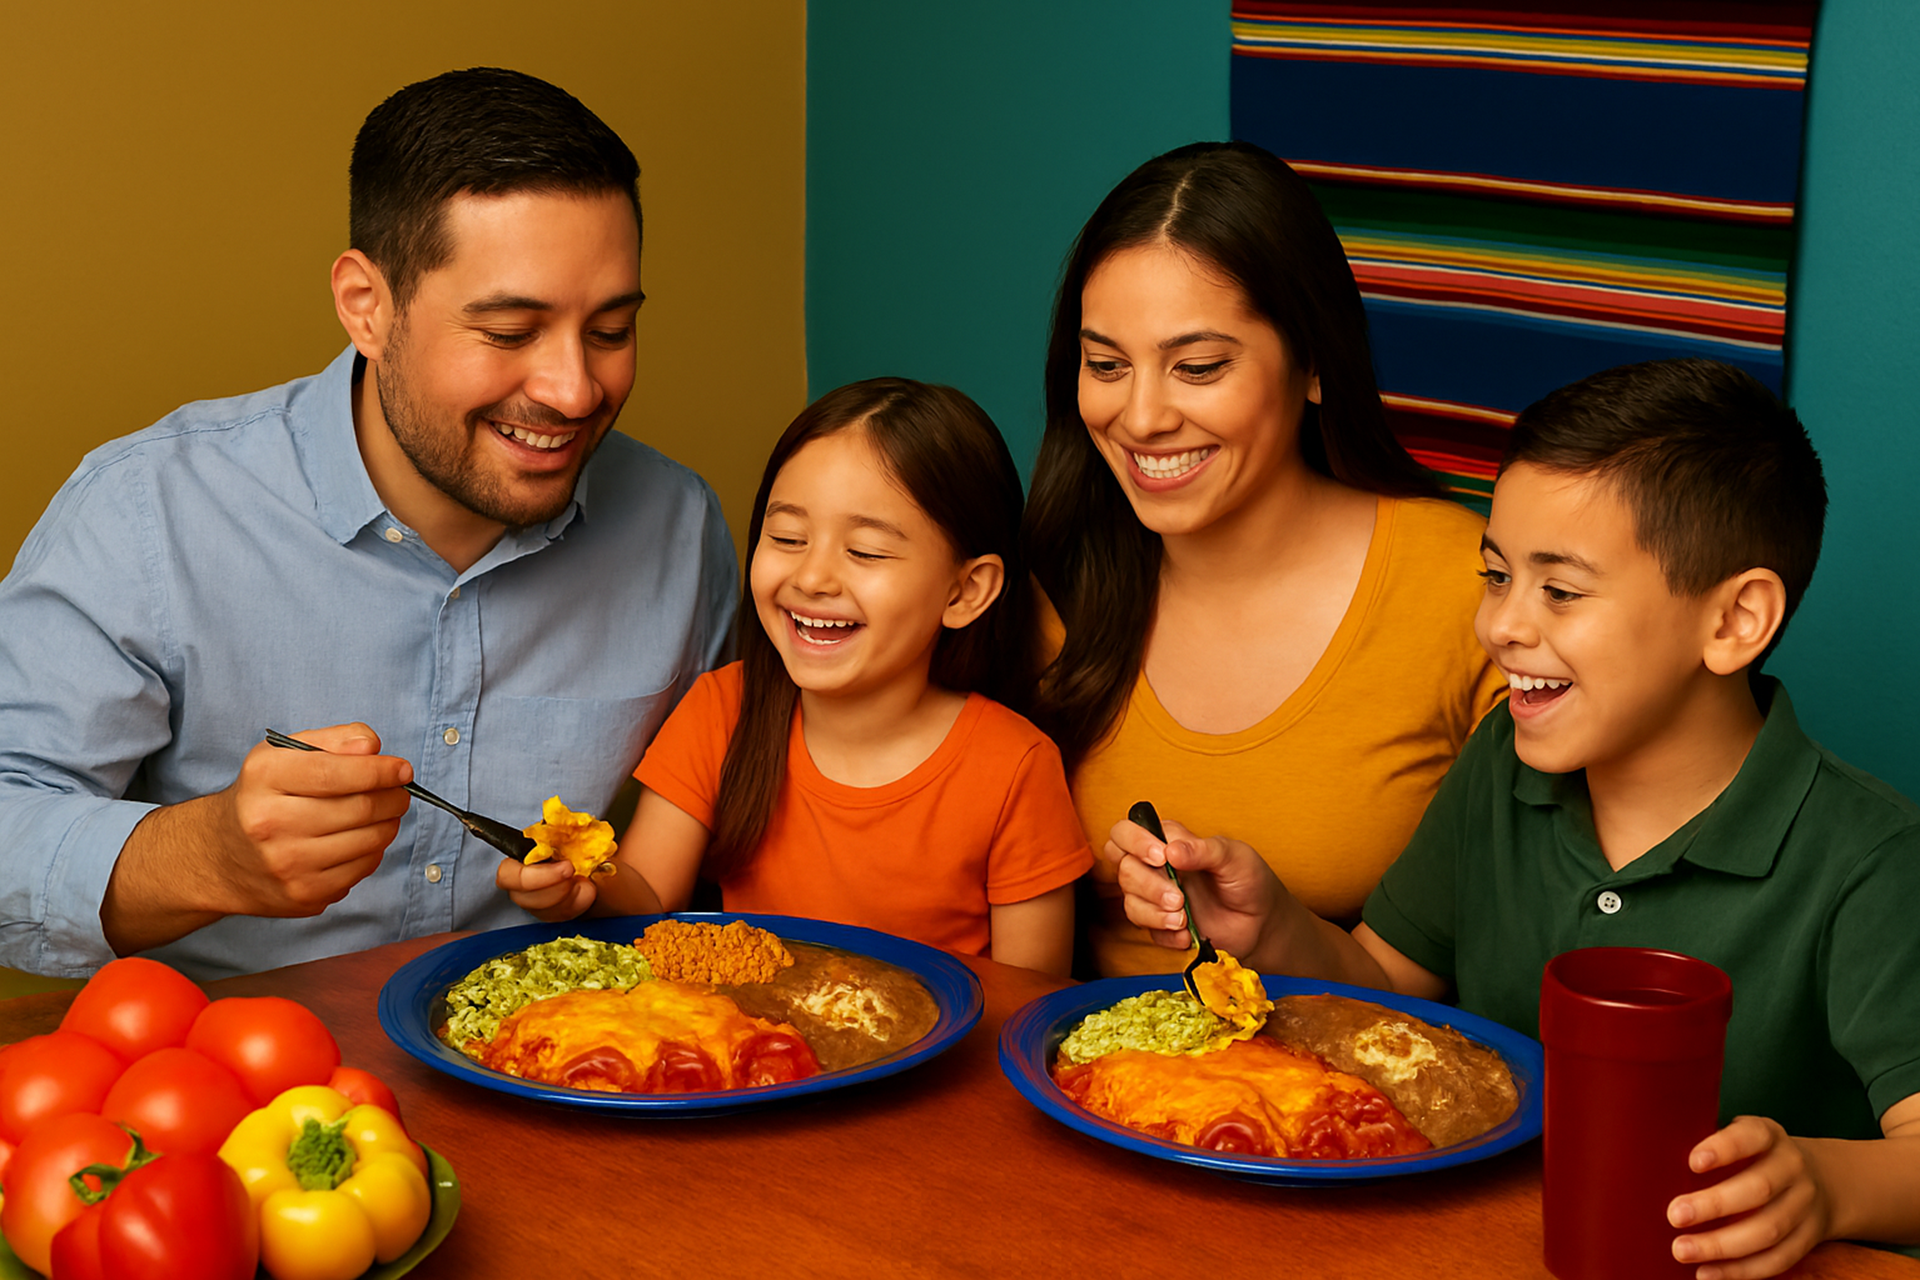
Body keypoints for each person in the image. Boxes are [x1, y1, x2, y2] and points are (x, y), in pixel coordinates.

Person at [1109, 359, 1920, 1275]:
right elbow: (1386, 980)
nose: (1500, 625)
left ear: (1734, 622)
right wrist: (1274, 928)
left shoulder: (1870, 857)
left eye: (1559, 590)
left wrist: (1825, 1184)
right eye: (1496, 576)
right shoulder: (1504, 762)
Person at [0, 68, 737, 981]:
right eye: (510, 332)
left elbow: (734, 825)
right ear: (368, 308)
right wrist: (206, 856)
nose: (574, 390)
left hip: (546, 1072)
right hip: (233, 1087)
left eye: (612, 331)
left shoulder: (678, 528)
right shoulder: (148, 511)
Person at [1021, 140, 1506, 976]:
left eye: (1198, 367)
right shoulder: (1045, 581)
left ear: (1313, 362)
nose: (1140, 418)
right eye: (1106, 365)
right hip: (1076, 1084)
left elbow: (1498, 955)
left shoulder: (1464, 583)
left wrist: (1277, 926)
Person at [502, 379, 1092, 975]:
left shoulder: (1014, 766)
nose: (812, 578)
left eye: (864, 552)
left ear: (966, 591)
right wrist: (580, 884)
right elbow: (651, 900)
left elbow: (1029, 1001)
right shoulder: (721, 711)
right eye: (787, 538)